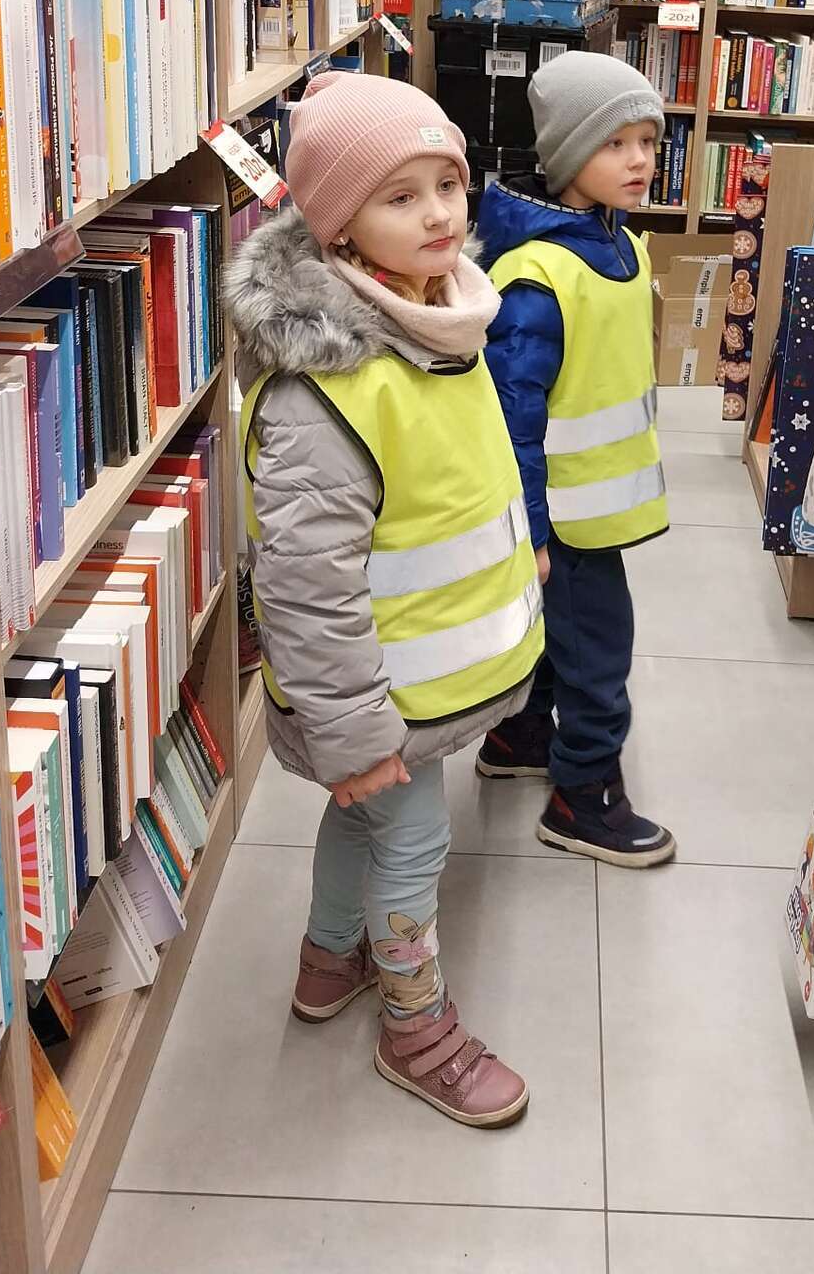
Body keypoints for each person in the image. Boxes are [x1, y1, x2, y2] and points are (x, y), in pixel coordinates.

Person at [227, 73, 543, 1129]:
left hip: (417, 678)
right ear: (338, 226)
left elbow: (451, 479)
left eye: (447, 183)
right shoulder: (325, 389)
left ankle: (329, 961)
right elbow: (305, 589)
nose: (440, 214)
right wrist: (355, 734)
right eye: (400, 197)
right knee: (410, 843)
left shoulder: (435, 316)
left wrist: (518, 553)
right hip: (377, 699)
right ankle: (417, 1029)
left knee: (363, 823)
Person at [474, 52, 676, 869]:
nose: (639, 160)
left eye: (648, 141)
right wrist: (531, 534)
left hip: (596, 506)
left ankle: (520, 735)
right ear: (565, 156)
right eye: (614, 143)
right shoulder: (538, 274)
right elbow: (512, 422)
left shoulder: (619, 243)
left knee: (562, 638)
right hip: (560, 516)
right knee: (599, 652)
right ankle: (581, 796)